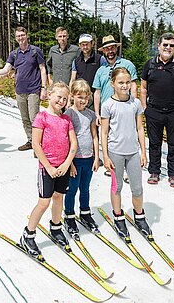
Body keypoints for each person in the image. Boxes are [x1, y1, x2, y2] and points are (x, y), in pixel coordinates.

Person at [20, 82, 78, 257]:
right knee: (44, 202)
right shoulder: (42, 117)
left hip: (63, 167)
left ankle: (56, 227)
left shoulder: (66, 119)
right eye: (59, 97)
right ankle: (28, 234)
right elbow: (36, 145)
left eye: (65, 98)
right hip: (47, 168)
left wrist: (67, 164)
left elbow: (73, 143)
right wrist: (49, 167)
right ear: (50, 95)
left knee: (59, 197)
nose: (61, 101)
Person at [100, 67, 151, 239]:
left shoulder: (135, 103)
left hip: (133, 153)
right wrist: (105, 156)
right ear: (113, 83)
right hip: (115, 153)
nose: (125, 85)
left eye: (127, 82)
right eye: (121, 82)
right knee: (117, 187)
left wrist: (143, 152)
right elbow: (105, 132)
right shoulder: (108, 105)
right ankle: (118, 216)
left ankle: (139, 216)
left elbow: (139, 127)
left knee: (137, 187)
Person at [140, 32, 174, 188]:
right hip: (154, 111)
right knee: (154, 143)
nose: (168, 48)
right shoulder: (149, 64)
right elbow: (143, 88)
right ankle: (154, 172)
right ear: (159, 46)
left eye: (171, 45)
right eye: (165, 44)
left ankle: (173, 174)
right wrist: (145, 108)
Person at [0, 26, 47, 151]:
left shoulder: (35, 51)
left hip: (33, 90)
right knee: (25, 119)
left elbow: (43, 69)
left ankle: (39, 145)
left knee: (35, 119)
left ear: (27, 36)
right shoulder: (14, 54)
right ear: (16, 38)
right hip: (20, 91)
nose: (20, 38)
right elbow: (6, 70)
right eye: (18, 36)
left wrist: (44, 88)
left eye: (22, 35)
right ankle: (31, 141)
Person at [92, 34, 137, 178]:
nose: (110, 51)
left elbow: (134, 86)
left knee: (125, 137)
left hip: (124, 108)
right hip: (107, 111)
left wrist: (134, 107)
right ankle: (111, 165)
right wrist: (97, 113)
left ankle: (127, 169)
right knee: (108, 138)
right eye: (107, 49)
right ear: (103, 51)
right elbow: (97, 92)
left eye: (112, 48)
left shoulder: (127, 64)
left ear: (116, 48)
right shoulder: (101, 70)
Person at [63, 79, 100, 235]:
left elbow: (94, 136)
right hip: (75, 160)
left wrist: (97, 157)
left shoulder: (90, 114)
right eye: (79, 97)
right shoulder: (69, 114)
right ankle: (69, 216)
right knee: (72, 189)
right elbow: (65, 139)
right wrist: (69, 162)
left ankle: (85, 213)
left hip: (88, 158)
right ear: (72, 96)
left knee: (85, 188)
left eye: (85, 97)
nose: (83, 101)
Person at [69, 33, 108, 103]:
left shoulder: (100, 59)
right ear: (79, 46)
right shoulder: (76, 61)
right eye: (83, 45)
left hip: (95, 97)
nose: (85, 47)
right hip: (80, 97)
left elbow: (106, 79)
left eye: (87, 44)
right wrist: (70, 95)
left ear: (92, 44)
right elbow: (73, 79)